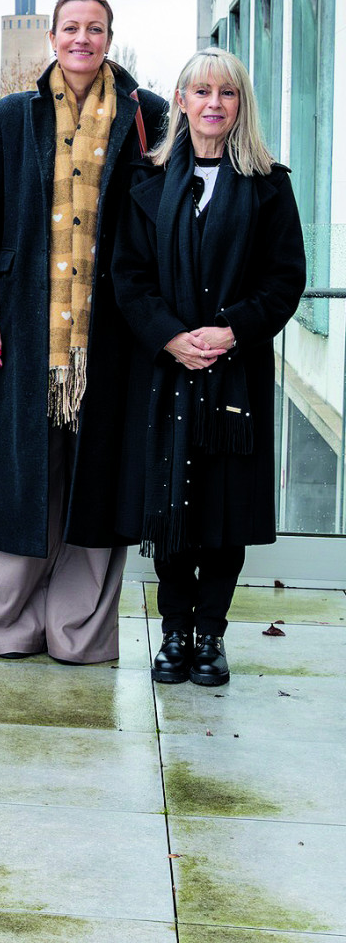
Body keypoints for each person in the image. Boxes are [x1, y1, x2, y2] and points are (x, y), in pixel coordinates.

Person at [0, 0, 168, 663]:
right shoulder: (14, 116)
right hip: (27, 329)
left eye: (96, 28)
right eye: (71, 27)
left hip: (111, 332)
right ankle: (14, 626)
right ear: (52, 36)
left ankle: (80, 633)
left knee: (98, 478)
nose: (83, 38)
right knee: (28, 476)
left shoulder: (148, 116)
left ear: (110, 36)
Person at [113, 48, 304, 687]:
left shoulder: (269, 184)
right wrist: (171, 337)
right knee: (172, 507)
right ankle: (172, 632)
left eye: (227, 92)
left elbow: (285, 280)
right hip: (167, 372)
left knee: (224, 511)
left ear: (240, 103)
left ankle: (210, 635)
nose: (214, 103)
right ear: (184, 101)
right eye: (201, 91)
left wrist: (231, 332)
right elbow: (129, 278)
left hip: (235, 374)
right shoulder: (149, 180)